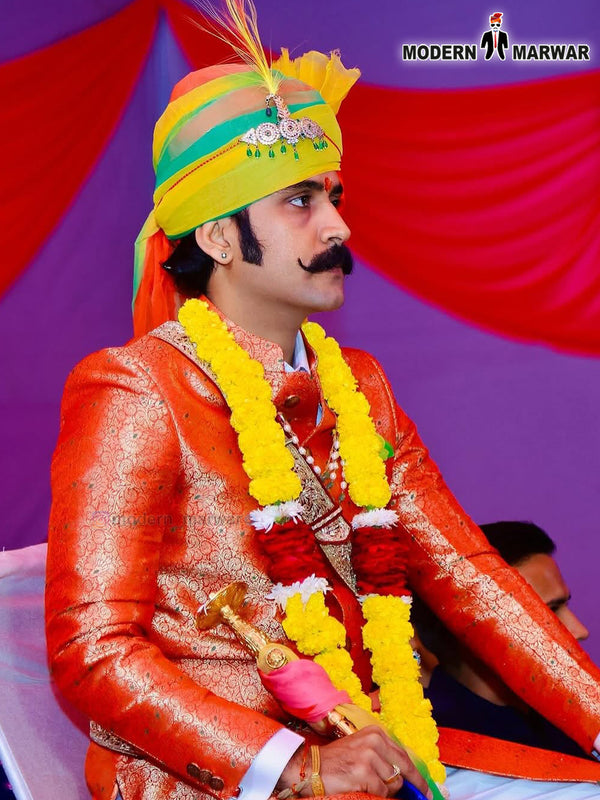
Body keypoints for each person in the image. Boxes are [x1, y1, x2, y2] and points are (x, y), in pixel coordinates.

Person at [45, 3, 600, 799]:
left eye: (333, 195)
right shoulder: (137, 387)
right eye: (299, 202)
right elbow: (91, 648)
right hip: (221, 780)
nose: (338, 224)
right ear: (219, 239)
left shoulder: (359, 383)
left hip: (383, 745)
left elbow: (469, 574)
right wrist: (294, 767)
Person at [413, 521, 591, 757]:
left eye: (565, 605)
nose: (580, 631)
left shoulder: (573, 722)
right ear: (469, 634)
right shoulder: (421, 750)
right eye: (548, 613)